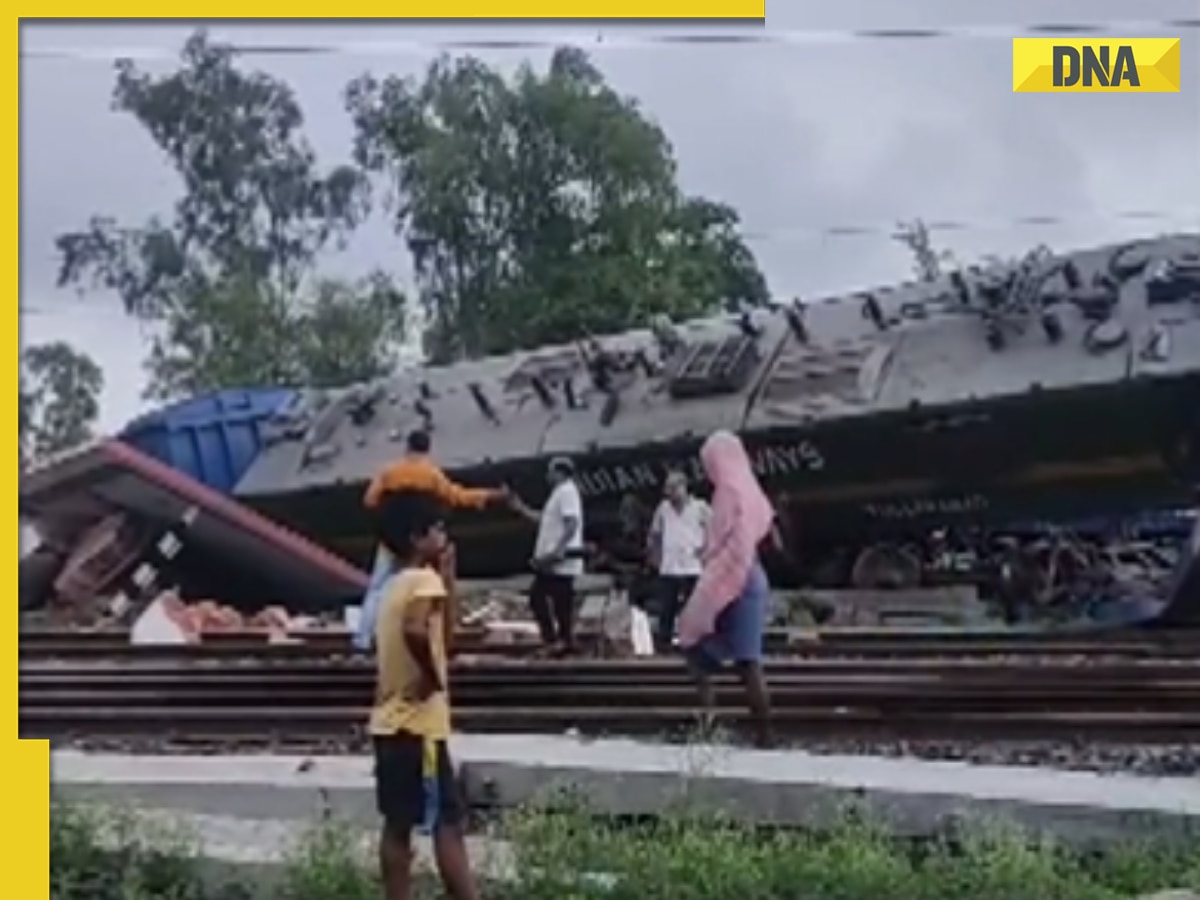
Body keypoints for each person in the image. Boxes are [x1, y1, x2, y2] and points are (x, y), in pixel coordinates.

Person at [369, 490, 480, 900]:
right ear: (418, 538)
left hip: (389, 725)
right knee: (446, 824)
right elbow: (419, 632)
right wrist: (432, 678)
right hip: (421, 728)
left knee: (397, 825)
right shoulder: (423, 581)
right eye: (438, 528)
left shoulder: (394, 588)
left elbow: (443, 641)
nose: (444, 534)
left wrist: (448, 578)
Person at [355, 429, 507, 651]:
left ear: (407, 447)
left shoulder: (388, 472)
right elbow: (458, 496)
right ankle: (424, 639)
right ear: (427, 450)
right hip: (419, 543)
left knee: (378, 590)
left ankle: (363, 640)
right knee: (423, 589)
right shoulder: (432, 475)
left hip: (390, 540)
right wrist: (490, 495)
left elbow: (369, 501)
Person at [677, 430, 775, 748]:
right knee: (747, 662)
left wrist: (707, 574)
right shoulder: (750, 488)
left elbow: (719, 544)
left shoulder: (727, 493)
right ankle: (761, 736)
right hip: (753, 575)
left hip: (733, 578)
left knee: (698, 648)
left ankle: (713, 728)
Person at [507, 457, 585, 656]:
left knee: (542, 598)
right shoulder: (558, 494)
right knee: (560, 601)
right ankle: (564, 640)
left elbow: (571, 523)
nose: (547, 475)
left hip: (559, 561)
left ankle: (556, 639)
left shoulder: (567, 491)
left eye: (551, 471)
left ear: (560, 472)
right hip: (553, 561)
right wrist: (521, 508)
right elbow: (545, 520)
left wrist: (558, 549)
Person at [646, 470, 710, 651]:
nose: (670, 492)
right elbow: (654, 534)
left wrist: (706, 550)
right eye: (668, 488)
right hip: (670, 566)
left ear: (684, 487)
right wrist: (655, 556)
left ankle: (694, 641)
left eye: (673, 488)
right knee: (667, 606)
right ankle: (665, 643)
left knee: (694, 606)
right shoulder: (663, 508)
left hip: (693, 566)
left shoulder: (700, 507)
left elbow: (713, 530)